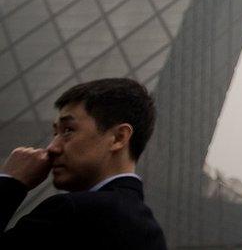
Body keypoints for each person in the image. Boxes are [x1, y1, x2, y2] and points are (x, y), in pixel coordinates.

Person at [0, 77, 167, 248]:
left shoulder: (70, 212)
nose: (52, 148)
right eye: (55, 133)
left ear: (119, 137)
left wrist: (10, 183)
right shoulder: (151, 231)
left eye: (68, 130)